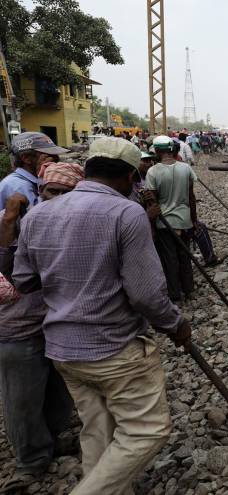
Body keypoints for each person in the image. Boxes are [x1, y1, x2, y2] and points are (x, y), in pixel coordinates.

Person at [13, 137, 191, 495]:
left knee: (98, 430)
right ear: (128, 177)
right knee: (147, 429)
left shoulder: (38, 214)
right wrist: (175, 324)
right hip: (114, 349)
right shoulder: (126, 214)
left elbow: (24, 280)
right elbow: (145, 294)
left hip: (63, 350)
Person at [0, 163, 82, 491]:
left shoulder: (68, 226)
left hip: (53, 322)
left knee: (56, 391)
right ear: (40, 192)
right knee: (22, 398)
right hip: (16, 328)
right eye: (53, 192)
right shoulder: (17, 223)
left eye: (66, 194)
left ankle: (52, 440)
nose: (58, 200)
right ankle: (30, 460)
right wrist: (9, 221)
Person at [145, 135, 198, 302]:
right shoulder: (186, 168)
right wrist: (194, 220)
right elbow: (191, 197)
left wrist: (151, 225)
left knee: (170, 258)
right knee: (184, 254)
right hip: (184, 220)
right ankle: (188, 289)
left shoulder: (153, 172)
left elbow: (152, 202)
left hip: (164, 223)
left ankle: (174, 293)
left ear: (158, 151)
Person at [1, 132, 68, 207]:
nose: (56, 159)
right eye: (48, 155)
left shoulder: (32, 180)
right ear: (26, 158)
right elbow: (39, 214)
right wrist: (42, 177)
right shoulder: (19, 186)